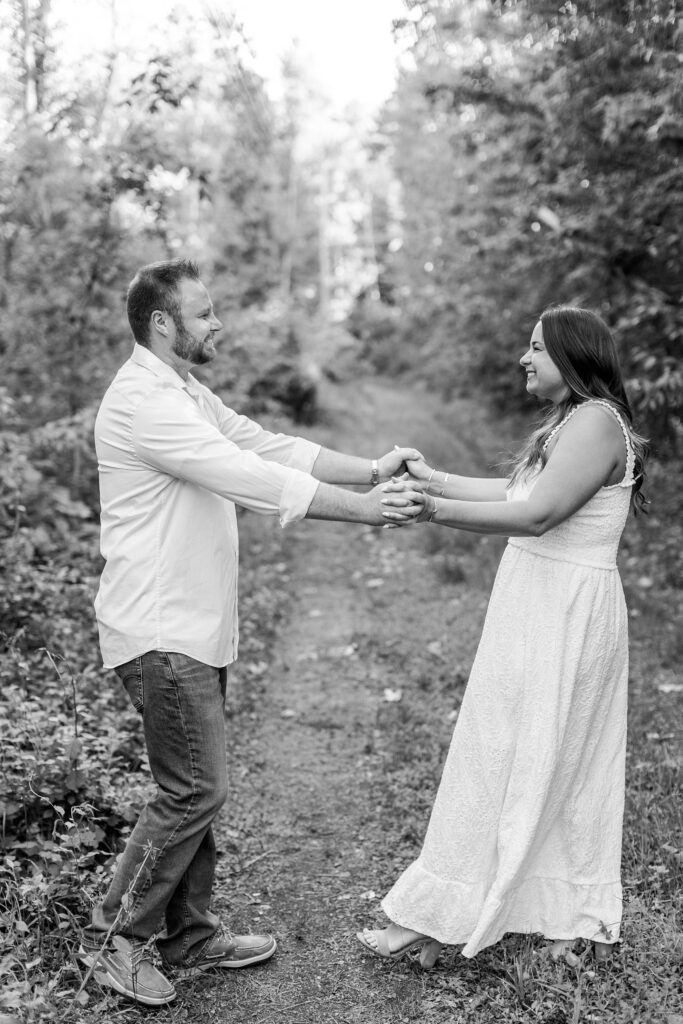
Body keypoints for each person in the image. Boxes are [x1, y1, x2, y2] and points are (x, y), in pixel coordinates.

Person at [80, 257, 424, 1006]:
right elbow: (248, 479)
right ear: (162, 323)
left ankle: (191, 935)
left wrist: (369, 469)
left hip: (193, 626)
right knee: (193, 789)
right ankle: (115, 938)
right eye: (204, 313)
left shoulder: (185, 391)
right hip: (159, 625)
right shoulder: (143, 401)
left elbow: (267, 446)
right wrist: (367, 513)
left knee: (196, 788)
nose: (217, 324)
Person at [364, 305, 648, 969]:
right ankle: (453, 912)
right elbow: (513, 489)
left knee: (551, 759)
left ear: (574, 359)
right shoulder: (572, 421)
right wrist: (430, 479)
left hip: (565, 611)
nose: (524, 360)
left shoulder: (596, 422)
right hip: (536, 603)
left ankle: (554, 915)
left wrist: (431, 511)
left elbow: (538, 513)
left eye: (536, 350)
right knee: (502, 751)